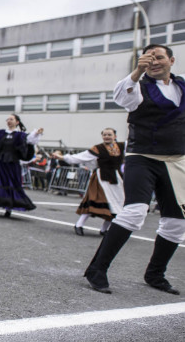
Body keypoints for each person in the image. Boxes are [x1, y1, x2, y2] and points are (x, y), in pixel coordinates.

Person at [84, 44, 184, 295]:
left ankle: (155, 274)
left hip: (176, 161)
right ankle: (97, 270)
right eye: (149, 59)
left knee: (176, 222)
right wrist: (137, 72)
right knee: (135, 212)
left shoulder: (182, 86)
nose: (154, 62)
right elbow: (121, 96)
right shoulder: (138, 86)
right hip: (143, 157)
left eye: (159, 57)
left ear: (171, 60)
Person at [52, 128, 125, 237]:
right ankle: (79, 225)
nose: (107, 136)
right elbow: (80, 157)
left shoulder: (122, 146)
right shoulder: (98, 148)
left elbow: (137, 143)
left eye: (109, 134)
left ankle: (104, 230)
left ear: (115, 136)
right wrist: (63, 157)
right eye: (104, 134)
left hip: (116, 179)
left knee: (117, 205)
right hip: (101, 179)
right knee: (95, 201)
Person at [0, 114, 44, 217]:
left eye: (11, 119)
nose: (9, 121)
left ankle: (8, 207)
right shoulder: (0, 133)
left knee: (10, 184)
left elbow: (30, 139)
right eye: (8, 119)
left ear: (17, 122)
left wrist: (37, 132)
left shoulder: (20, 135)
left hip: (11, 164)